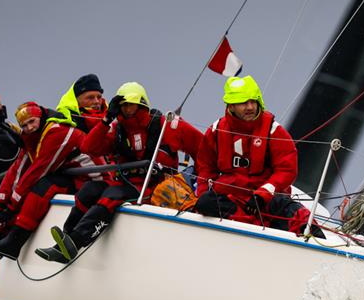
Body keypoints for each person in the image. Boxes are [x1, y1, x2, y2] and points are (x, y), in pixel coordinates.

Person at [37, 82, 203, 263]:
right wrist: (106, 119)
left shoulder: (167, 125)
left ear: (142, 104)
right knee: (88, 190)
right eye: (123, 105)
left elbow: (203, 149)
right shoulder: (116, 129)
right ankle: (65, 241)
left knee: (111, 196)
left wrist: (203, 184)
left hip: (154, 186)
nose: (127, 109)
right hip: (126, 182)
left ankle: (75, 244)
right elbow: (88, 147)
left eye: (131, 104)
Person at [194, 75, 322, 237]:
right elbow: (205, 167)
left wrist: (264, 193)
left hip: (266, 200)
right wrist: (202, 196)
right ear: (231, 106)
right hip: (231, 198)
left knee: (299, 218)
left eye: (253, 101)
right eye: (243, 102)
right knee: (206, 203)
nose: (250, 107)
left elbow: (287, 170)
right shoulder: (216, 130)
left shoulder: (273, 131)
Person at [0, 101, 98, 260]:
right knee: (33, 186)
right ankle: (1, 236)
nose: (29, 127)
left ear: (41, 117)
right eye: (24, 125)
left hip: (94, 179)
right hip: (75, 178)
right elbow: (15, 172)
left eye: (32, 121)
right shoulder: (31, 138)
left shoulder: (57, 132)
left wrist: (10, 208)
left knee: (43, 186)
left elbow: (37, 171)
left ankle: (14, 241)